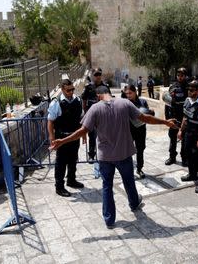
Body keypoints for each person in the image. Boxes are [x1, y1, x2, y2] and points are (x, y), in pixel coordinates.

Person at [50, 86, 177, 228]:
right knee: (129, 181)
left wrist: (62, 141)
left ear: (98, 96)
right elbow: (144, 118)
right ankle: (134, 203)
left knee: (107, 186)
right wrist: (165, 122)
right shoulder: (125, 103)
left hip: (105, 157)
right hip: (124, 154)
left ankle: (109, 219)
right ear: (109, 93)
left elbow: (83, 130)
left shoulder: (95, 109)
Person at [47, 79, 84, 197]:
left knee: (73, 159)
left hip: (74, 136)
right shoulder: (56, 103)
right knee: (61, 162)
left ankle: (71, 180)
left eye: (72, 89)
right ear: (62, 89)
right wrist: (52, 137)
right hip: (61, 137)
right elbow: (50, 122)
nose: (71, 92)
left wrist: (83, 134)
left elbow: (81, 119)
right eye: (68, 90)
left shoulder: (78, 100)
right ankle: (59, 186)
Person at [178, 80, 198, 194]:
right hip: (188, 132)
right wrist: (180, 130)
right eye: (188, 89)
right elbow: (185, 117)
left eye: (191, 90)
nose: (189, 91)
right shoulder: (187, 100)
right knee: (188, 154)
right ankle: (192, 174)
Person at [81, 68, 111, 161]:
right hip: (92, 116)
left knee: (105, 135)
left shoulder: (105, 87)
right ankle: (91, 155)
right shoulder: (88, 87)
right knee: (92, 136)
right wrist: (86, 113)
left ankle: (106, 153)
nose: (98, 76)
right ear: (93, 76)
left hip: (103, 116)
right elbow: (84, 100)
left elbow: (109, 100)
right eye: (96, 75)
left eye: (99, 74)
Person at [124, 85, 154, 179]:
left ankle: (139, 168)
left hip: (141, 130)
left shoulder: (142, 102)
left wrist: (150, 112)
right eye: (127, 94)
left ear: (135, 92)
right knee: (127, 151)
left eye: (130, 93)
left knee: (140, 149)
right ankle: (127, 170)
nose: (128, 95)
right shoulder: (125, 103)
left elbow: (147, 114)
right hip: (129, 130)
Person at [165, 67, 189, 166]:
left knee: (184, 138)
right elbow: (167, 102)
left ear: (185, 76)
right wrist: (167, 118)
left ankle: (184, 158)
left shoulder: (188, 87)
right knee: (172, 137)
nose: (180, 77)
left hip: (184, 116)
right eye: (178, 75)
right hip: (173, 116)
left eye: (182, 75)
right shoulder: (173, 87)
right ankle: (172, 157)